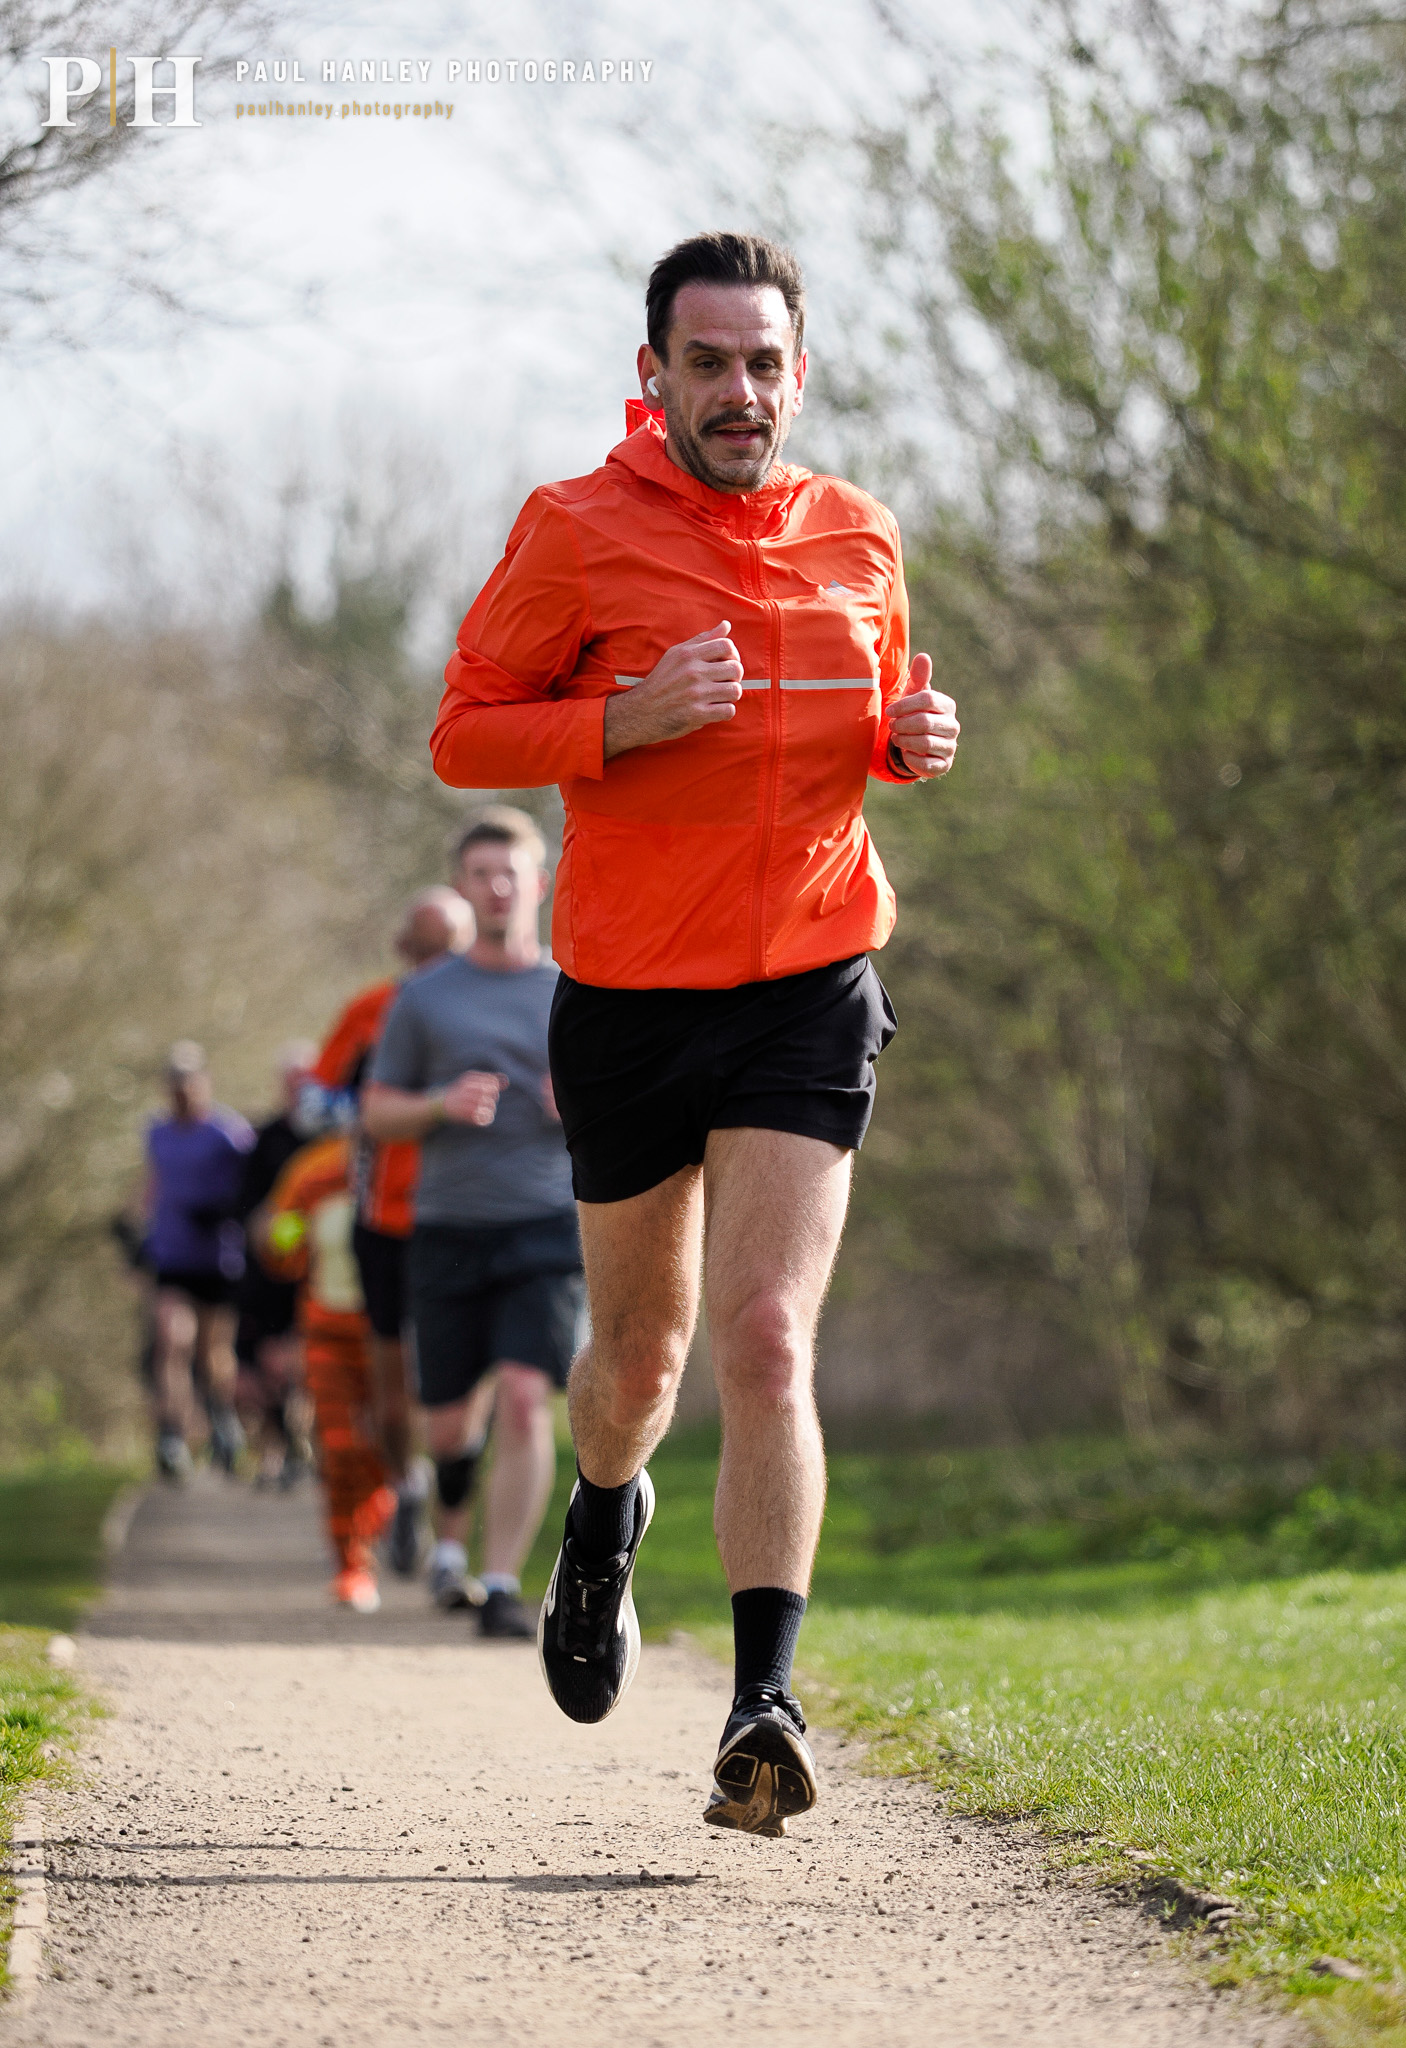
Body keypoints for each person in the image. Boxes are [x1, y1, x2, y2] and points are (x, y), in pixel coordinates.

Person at [431, 232, 960, 1834]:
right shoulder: (574, 531)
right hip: (635, 1003)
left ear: (801, 371)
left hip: (809, 979)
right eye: (711, 361)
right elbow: (462, 733)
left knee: (770, 1337)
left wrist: (908, 742)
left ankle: (762, 1704)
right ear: (654, 369)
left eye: (766, 362)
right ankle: (603, 1517)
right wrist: (616, 721)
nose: (742, 392)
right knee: (638, 1364)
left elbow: (862, 730)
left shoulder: (857, 536)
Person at [362, 809, 582, 1641]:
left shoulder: (574, 988)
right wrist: (438, 1105)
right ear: (461, 885)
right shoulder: (424, 998)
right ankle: (448, 1535)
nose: (496, 887)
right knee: (450, 1421)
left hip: (548, 1223)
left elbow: (632, 1108)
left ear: (539, 882)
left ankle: (499, 1583)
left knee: (526, 1399)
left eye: (510, 873)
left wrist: (584, 1108)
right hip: (449, 1225)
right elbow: (377, 1113)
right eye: (480, 873)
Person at [313, 887, 474, 1574]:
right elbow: (316, 1100)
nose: (440, 961)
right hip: (385, 1214)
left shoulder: (493, 1007)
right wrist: (360, 1111)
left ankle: (452, 1511)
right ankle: (406, 1485)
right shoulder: (371, 1010)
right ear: (403, 949)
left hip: (469, 1212)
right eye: (428, 947)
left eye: (452, 948)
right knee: (391, 1373)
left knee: (459, 1372)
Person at [256, 1131, 395, 1612]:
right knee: (339, 1445)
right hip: (327, 1332)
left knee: (387, 1442)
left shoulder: (415, 1161)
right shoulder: (314, 1168)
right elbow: (280, 1251)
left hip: (393, 1336)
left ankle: (388, 1514)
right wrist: (281, 1228)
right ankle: (350, 1565)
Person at [141, 1041, 256, 1480]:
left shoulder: (229, 1132)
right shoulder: (156, 1132)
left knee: (212, 1353)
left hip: (218, 1258)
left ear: (203, 1083)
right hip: (171, 1253)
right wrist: (136, 1228)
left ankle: (222, 1421)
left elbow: (254, 1183)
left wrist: (227, 1210)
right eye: (174, 1083)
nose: (181, 1091)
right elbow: (152, 1182)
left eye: (188, 1082)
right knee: (172, 1339)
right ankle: (172, 1434)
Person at [234, 1040, 317, 1488]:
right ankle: (272, 1452)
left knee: (305, 1366)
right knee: (263, 1371)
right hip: (269, 1275)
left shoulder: (332, 1137)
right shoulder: (264, 1140)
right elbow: (247, 1211)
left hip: (320, 1274)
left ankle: (305, 1446)